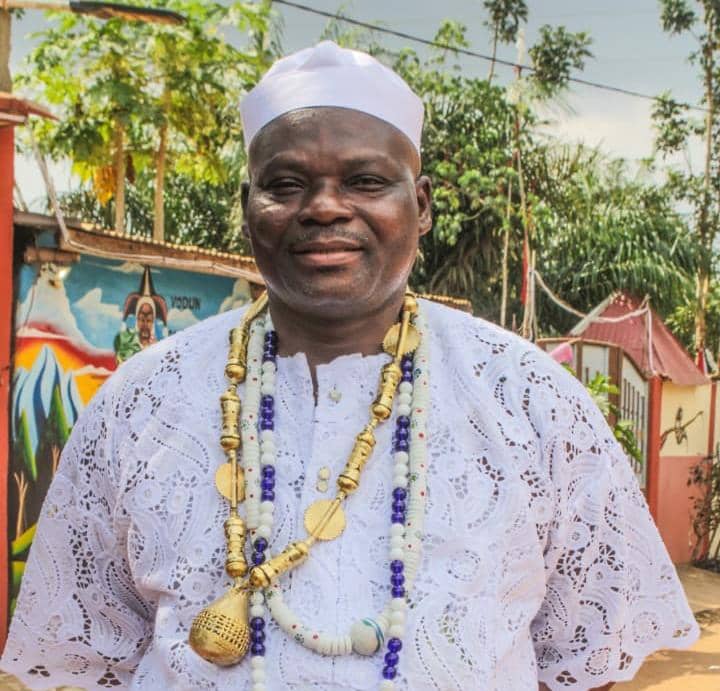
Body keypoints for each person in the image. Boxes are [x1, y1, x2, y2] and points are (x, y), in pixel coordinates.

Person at [1, 41, 698, 691]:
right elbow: (86, 658)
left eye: (365, 181)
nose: (325, 207)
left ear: (420, 206)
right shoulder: (141, 400)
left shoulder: (531, 400)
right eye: (285, 183)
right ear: (248, 209)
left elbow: (584, 659)